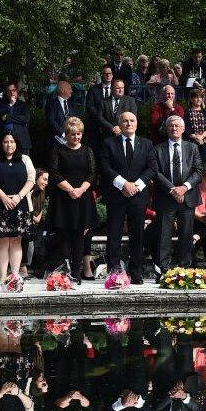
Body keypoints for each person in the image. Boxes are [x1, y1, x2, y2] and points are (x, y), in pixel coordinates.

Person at [100, 112, 157, 283]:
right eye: (125, 121)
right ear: (119, 124)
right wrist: (123, 184)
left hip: (138, 197)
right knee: (114, 234)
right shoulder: (108, 143)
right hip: (116, 195)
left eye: (132, 120)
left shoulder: (146, 144)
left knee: (137, 234)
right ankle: (114, 272)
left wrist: (135, 186)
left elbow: (152, 168)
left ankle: (136, 272)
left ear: (137, 124)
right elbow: (104, 166)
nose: (129, 123)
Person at [48, 117, 97, 282]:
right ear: (67, 135)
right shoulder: (58, 150)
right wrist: (70, 189)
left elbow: (92, 173)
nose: (76, 137)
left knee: (79, 236)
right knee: (64, 236)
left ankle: (76, 273)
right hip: (64, 198)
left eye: (79, 134)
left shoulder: (88, 150)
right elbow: (54, 172)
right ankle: (64, 272)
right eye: (73, 134)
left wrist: (81, 190)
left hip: (82, 198)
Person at [153, 116, 203, 271]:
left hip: (187, 197)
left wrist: (184, 188)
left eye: (177, 126)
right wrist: (174, 189)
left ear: (183, 129)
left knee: (186, 235)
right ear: (166, 129)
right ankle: (163, 269)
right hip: (166, 197)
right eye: (171, 126)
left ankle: (185, 270)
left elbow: (198, 171)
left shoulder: (192, 147)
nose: (174, 128)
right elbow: (156, 173)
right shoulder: (157, 149)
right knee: (163, 236)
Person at [0, 132, 35, 281]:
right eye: (6, 141)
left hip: (20, 205)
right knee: (2, 241)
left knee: (16, 240)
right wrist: (4, 197)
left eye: (12, 141)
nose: (9, 144)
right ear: (1, 143)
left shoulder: (25, 159)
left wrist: (19, 196)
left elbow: (31, 180)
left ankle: (14, 275)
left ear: (17, 143)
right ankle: (2, 277)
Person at [0, 81, 32, 154]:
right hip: (4, 141)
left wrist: (7, 117)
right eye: (9, 91)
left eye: (14, 90)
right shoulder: (0, 105)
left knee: (23, 163)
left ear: (17, 91)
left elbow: (25, 119)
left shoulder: (23, 105)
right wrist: (11, 105)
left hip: (21, 141)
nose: (12, 93)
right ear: (5, 93)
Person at [183, 89, 206, 165]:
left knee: (204, 164)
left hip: (205, 141)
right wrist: (196, 137)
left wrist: (202, 137)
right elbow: (186, 128)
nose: (199, 99)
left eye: (201, 97)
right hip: (191, 141)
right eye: (196, 97)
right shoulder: (186, 112)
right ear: (191, 99)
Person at [46, 81, 80, 148]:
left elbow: (77, 119)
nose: (71, 91)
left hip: (72, 140)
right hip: (56, 141)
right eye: (69, 89)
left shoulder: (72, 104)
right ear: (62, 90)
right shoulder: (51, 104)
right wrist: (63, 133)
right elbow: (51, 121)